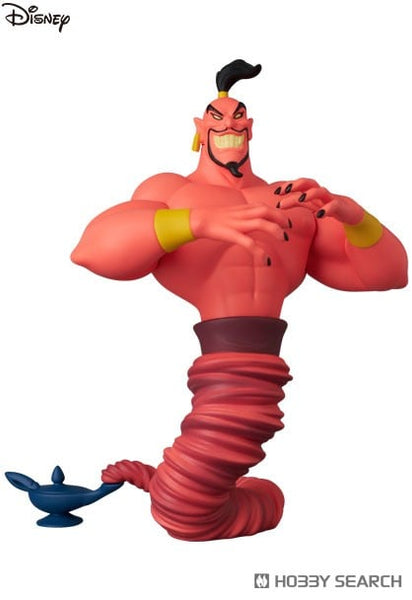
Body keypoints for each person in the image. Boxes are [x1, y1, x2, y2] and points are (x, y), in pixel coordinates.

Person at [71, 60, 408, 541]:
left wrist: (357, 219)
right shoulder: (172, 191)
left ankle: (218, 503)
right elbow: (93, 250)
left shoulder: (291, 200)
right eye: (217, 117)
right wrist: (196, 224)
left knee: (201, 493)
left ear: (251, 127)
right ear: (199, 128)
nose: (229, 125)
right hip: (227, 373)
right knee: (189, 504)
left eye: (238, 117)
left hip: (259, 377)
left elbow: (389, 274)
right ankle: (201, 500)